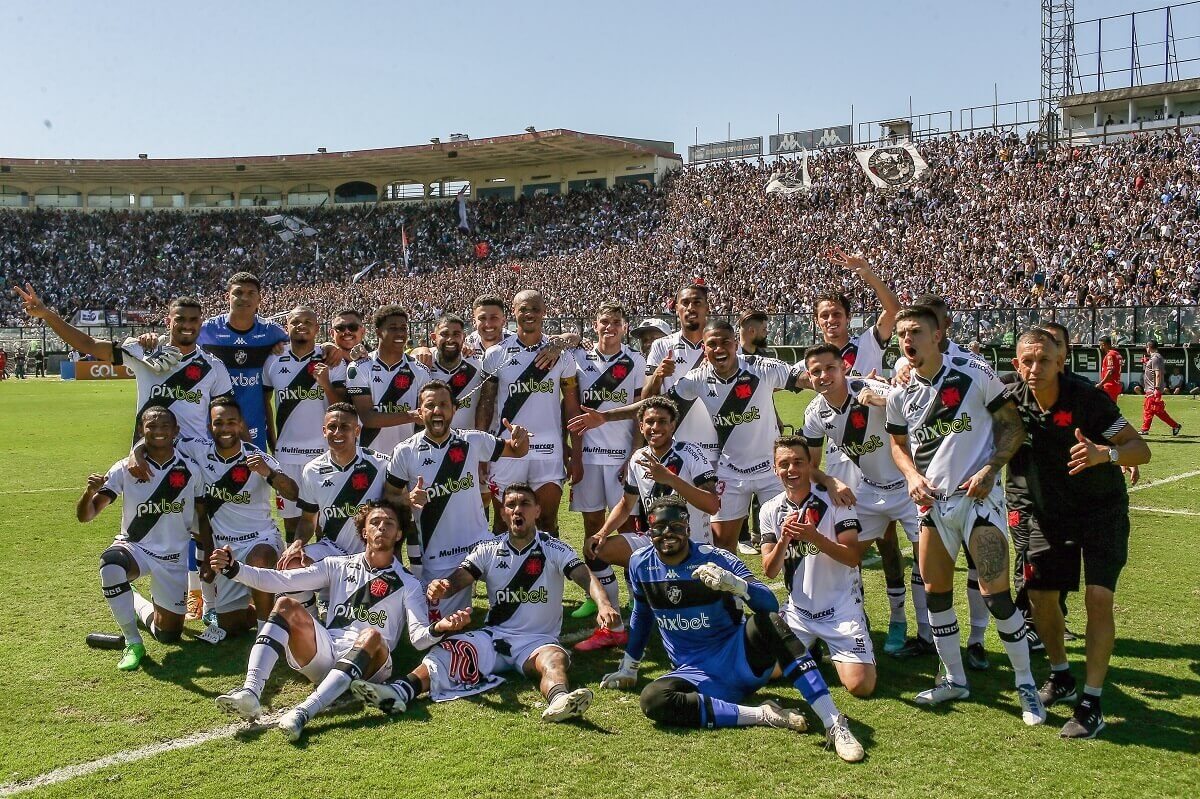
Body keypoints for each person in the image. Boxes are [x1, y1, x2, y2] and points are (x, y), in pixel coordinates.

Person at [599, 496, 864, 762]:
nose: (668, 534)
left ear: (688, 528)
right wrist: (629, 667)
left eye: (676, 526)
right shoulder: (639, 564)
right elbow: (642, 614)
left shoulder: (715, 558)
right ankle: (762, 715)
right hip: (696, 675)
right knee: (653, 699)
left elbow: (769, 603)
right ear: (649, 531)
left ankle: (834, 723)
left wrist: (736, 585)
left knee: (768, 622)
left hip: (741, 661)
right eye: (659, 527)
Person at [885, 306, 1045, 725]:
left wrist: (991, 469)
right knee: (936, 593)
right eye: (902, 334)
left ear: (938, 335)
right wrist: (910, 477)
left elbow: (1012, 426)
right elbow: (898, 445)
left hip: (977, 501)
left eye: (916, 331)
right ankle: (953, 678)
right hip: (932, 505)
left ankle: (1026, 685)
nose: (907, 340)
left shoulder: (973, 372)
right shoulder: (899, 392)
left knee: (996, 597)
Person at [352, 483, 618, 723]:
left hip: (536, 640)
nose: (517, 510)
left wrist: (604, 604)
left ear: (537, 510)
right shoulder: (489, 549)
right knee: (447, 650)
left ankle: (560, 700)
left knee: (554, 659)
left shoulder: (555, 548)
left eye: (524, 504)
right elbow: (459, 579)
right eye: (510, 505)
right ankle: (399, 691)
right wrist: (443, 588)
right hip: (494, 638)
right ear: (503, 513)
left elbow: (585, 577)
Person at [212, 501, 472, 741]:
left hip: (373, 664)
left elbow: (418, 639)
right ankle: (250, 693)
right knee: (285, 605)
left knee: (371, 635)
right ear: (364, 532)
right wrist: (235, 569)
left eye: (389, 523)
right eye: (375, 522)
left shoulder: (409, 584)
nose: (381, 527)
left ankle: (303, 712)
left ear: (399, 534)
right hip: (327, 650)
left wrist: (441, 627)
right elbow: (282, 581)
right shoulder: (337, 565)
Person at [1007, 329, 1150, 738]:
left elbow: (1140, 448)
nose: (1035, 369)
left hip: (1101, 510)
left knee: (1098, 598)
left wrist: (1106, 454)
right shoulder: (1008, 396)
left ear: (1060, 362)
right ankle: (1061, 674)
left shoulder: (1086, 398)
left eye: (1044, 361)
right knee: (1040, 597)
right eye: (1027, 361)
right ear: (1016, 363)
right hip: (1050, 515)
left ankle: (1092, 700)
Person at [572, 320, 806, 552]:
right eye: (712, 344)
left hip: (771, 470)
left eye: (725, 342)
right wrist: (605, 416)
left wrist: (836, 383)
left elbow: (806, 380)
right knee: (722, 545)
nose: (719, 349)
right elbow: (657, 404)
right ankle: (727, 590)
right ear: (704, 348)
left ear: (736, 343)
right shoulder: (699, 378)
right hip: (732, 472)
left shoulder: (762, 367)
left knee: (789, 541)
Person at [800, 344, 929, 659]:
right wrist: (830, 480)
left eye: (829, 368)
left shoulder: (871, 388)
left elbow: (923, 412)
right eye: (815, 371)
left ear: (843, 367)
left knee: (926, 563)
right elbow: (810, 466)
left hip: (910, 484)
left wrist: (884, 401)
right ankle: (855, 623)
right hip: (870, 490)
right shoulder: (815, 412)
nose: (823, 376)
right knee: (845, 558)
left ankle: (926, 634)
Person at [578, 396, 720, 651]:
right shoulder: (638, 457)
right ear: (641, 426)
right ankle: (614, 628)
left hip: (694, 547)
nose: (656, 428)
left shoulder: (690, 453)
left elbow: (712, 504)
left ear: (674, 424)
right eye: (650, 422)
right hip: (654, 541)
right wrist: (601, 533)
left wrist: (671, 479)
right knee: (596, 551)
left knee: (695, 623)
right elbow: (625, 503)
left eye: (663, 422)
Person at [386, 381, 530, 619]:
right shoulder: (405, 451)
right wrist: (407, 498)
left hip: (480, 546)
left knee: (518, 595)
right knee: (442, 628)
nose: (437, 411)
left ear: (454, 409)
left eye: (443, 404)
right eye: (430, 406)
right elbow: (389, 496)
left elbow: (516, 450)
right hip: (437, 557)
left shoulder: (472, 441)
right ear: (420, 413)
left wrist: (520, 439)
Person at [76, 407, 205, 671]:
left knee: (168, 635)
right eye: (151, 426)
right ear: (140, 431)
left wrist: (208, 557)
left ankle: (133, 600)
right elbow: (86, 515)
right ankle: (133, 642)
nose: (158, 432)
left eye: (164, 426)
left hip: (173, 557)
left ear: (175, 431)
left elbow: (202, 519)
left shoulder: (191, 470)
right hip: (136, 548)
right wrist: (88, 493)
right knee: (111, 565)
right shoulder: (125, 468)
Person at [14, 286, 233, 441]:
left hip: (196, 465)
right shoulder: (143, 350)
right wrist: (46, 314)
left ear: (200, 323)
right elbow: (88, 344)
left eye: (193, 320)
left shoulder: (214, 367)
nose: (187, 325)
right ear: (168, 321)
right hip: (146, 461)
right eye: (180, 319)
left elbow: (227, 418)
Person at [760, 437, 876, 698]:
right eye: (784, 464)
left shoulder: (836, 499)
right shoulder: (769, 509)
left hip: (840, 610)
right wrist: (783, 540)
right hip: (799, 612)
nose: (791, 470)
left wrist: (815, 538)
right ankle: (810, 648)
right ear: (774, 468)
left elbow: (852, 557)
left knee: (861, 686)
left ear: (810, 465)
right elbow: (769, 570)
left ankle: (854, 630)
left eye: (798, 462)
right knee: (765, 672)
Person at [182, 398, 299, 639]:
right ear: (210, 426)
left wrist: (269, 474)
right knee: (229, 626)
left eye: (231, 422)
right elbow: (159, 438)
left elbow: (294, 493)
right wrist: (139, 453)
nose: (225, 429)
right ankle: (270, 605)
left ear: (241, 425)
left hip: (260, 540)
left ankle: (265, 634)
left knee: (259, 559)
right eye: (218, 423)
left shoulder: (257, 457)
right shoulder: (199, 451)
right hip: (225, 551)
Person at [476, 290, 583, 537]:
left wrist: (575, 454)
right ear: (513, 313)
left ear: (544, 312)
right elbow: (486, 404)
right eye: (523, 309)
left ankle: (547, 575)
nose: (529, 314)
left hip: (548, 449)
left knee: (547, 521)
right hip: (506, 448)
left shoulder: (561, 354)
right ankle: (503, 575)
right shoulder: (495, 354)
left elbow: (571, 407)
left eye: (535, 309)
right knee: (504, 523)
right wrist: (482, 452)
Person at [275, 403, 392, 625]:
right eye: (332, 427)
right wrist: (298, 542)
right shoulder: (312, 470)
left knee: (360, 623)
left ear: (356, 430)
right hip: (331, 550)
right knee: (290, 565)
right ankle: (312, 627)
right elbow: (308, 519)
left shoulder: (380, 464)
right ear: (324, 431)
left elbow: (397, 508)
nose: (337, 433)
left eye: (344, 427)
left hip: (368, 555)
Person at [570, 301, 646, 622]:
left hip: (620, 460)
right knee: (591, 526)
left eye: (616, 321)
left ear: (625, 327)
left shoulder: (636, 361)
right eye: (604, 321)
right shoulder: (577, 358)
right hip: (587, 458)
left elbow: (642, 412)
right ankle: (600, 596)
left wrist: (634, 456)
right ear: (595, 324)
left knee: (625, 528)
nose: (609, 326)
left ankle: (635, 595)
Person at [263, 307, 338, 543]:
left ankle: (325, 577)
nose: (301, 325)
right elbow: (266, 402)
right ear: (287, 326)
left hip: (322, 454)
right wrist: (273, 442)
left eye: (308, 322)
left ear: (317, 328)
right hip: (287, 456)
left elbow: (343, 408)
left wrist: (326, 384)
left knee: (323, 523)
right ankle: (294, 574)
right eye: (296, 322)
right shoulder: (274, 359)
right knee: (292, 523)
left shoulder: (330, 360)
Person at [198, 272, 289, 451]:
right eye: (238, 292)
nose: (244, 298)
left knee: (254, 476)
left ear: (259, 299)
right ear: (227, 297)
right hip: (212, 424)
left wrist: (327, 346)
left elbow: (304, 347)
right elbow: (176, 343)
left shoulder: (271, 332)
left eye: (250, 293)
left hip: (254, 423)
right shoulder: (207, 330)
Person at [643, 284, 718, 465]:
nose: (691, 308)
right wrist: (658, 376)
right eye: (685, 303)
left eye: (697, 302)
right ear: (676, 308)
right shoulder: (661, 346)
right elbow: (645, 400)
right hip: (674, 448)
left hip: (716, 449)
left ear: (707, 307)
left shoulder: (720, 347)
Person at [345, 305, 429, 455]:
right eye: (393, 328)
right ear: (378, 332)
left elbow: (423, 421)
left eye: (403, 328)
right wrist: (410, 416)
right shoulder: (359, 367)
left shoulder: (420, 370)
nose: (400, 333)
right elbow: (368, 418)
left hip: (407, 457)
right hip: (369, 458)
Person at [813, 248, 901, 376]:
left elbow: (893, 310)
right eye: (824, 315)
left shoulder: (869, 343)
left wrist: (867, 274)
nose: (831, 319)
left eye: (837, 314)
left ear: (848, 317)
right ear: (816, 321)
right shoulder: (813, 360)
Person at [1138, 340, 1181, 435]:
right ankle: (1175, 426)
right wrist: (1147, 362)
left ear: (1149, 347)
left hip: (1153, 389)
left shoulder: (1155, 358)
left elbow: (1158, 374)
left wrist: (1156, 388)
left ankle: (1144, 430)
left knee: (1148, 409)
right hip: (1152, 388)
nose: (1146, 349)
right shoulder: (1155, 358)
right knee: (1158, 411)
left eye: (1146, 347)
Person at [1097, 336, 1123, 402]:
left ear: (1104, 345)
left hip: (1110, 386)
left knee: (1106, 408)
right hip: (1116, 384)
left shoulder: (1110, 355)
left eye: (1100, 345)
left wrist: (1100, 384)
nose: (1100, 347)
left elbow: (1110, 371)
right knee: (1112, 408)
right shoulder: (1117, 354)